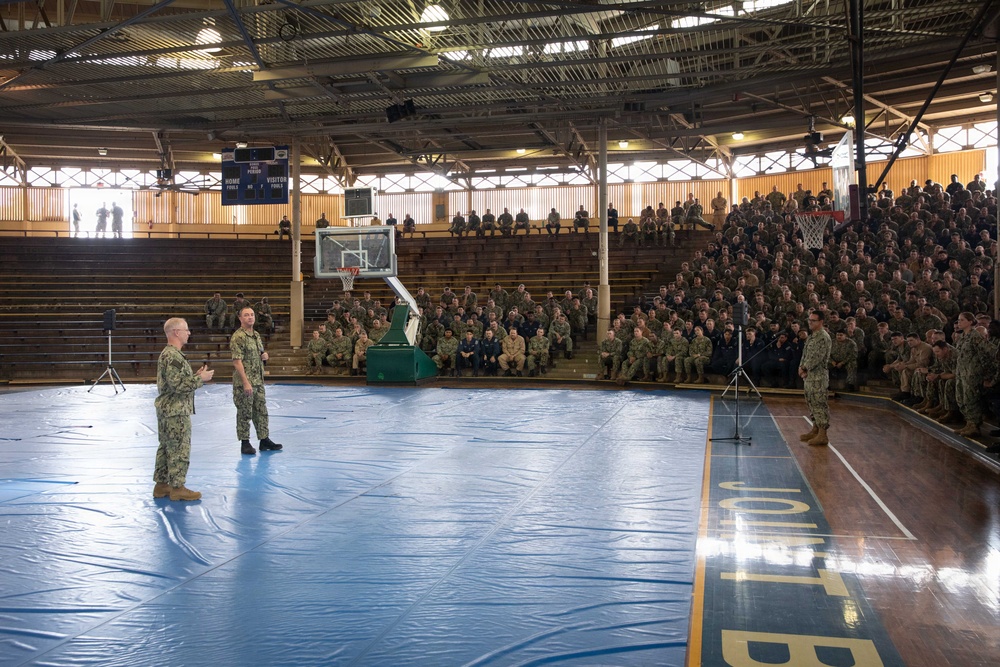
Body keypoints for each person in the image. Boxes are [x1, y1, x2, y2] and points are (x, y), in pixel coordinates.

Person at [153, 318, 214, 501]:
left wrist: (194, 376)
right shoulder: (172, 356)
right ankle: (178, 487)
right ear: (176, 333)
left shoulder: (171, 354)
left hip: (168, 409)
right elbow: (178, 385)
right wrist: (200, 379)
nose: (189, 333)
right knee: (179, 448)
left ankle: (162, 485)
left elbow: (176, 381)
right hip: (175, 411)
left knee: (166, 448)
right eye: (186, 330)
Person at [231, 305, 283, 456]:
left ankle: (264, 439)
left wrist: (264, 356)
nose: (250, 317)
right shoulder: (238, 337)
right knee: (245, 412)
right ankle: (245, 442)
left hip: (258, 380)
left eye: (252, 314)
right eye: (246, 315)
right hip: (245, 382)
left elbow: (259, 353)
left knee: (261, 411)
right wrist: (246, 382)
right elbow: (237, 361)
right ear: (240, 318)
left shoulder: (256, 335)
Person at [799, 310, 832, 446]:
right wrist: (801, 367)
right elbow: (806, 354)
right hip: (809, 376)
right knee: (811, 402)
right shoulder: (812, 337)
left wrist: (805, 368)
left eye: (813, 321)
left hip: (818, 376)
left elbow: (816, 357)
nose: (810, 323)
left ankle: (823, 434)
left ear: (821, 322)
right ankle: (815, 428)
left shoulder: (823, 337)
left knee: (819, 403)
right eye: (809, 320)